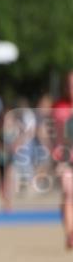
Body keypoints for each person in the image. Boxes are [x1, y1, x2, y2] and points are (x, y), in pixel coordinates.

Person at [53, 72, 73, 250]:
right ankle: (70, 234)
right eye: (70, 84)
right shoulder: (60, 108)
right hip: (66, 160)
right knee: (68, 193)